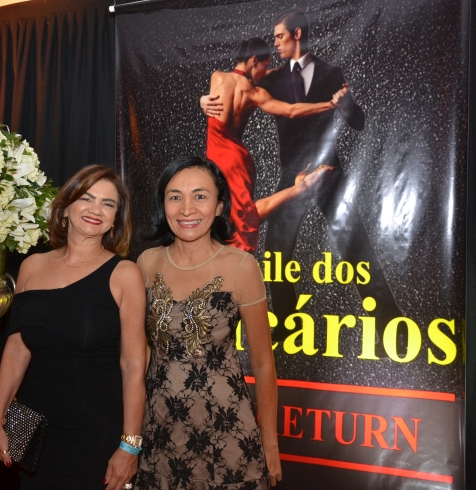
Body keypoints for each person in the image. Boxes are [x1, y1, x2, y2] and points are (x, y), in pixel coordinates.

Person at [204, 10, 403, 354]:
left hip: (329, 171)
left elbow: (357, 121)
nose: (275, 43)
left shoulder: (331, 73)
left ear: (296, 34)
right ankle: (286, 323)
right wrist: (203, 101)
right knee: (276, 253)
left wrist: (344, 105)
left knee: (355, 245)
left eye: (279, 36)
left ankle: (390, 323)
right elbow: (242, 89)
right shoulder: (269, 78)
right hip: (291, 176)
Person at [0, 165, 147, 490]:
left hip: (94, 431)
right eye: (86, 198)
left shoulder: (124, 274)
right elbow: (16, 351)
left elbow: (133, 365)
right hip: (34, 428)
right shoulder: (31, 267)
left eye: (108, 204)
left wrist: (130, 445)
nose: (96, 209)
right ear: (65, 208)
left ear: (115, 220)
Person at [135, 156, 282, 489]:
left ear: (219, 206)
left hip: (227, 432)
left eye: (200, 196)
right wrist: (130, 432)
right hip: (159, 431)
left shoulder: (241, 266)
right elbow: (139, 355)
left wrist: (270, 442)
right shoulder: (146, 263)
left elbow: (263, 363)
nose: (187, 209)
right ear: (163, 205)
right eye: (175, 197)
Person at [203, 36, 346, 253]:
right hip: (237, 160)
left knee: (234, 218)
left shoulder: (217, 77)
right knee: (243, 216)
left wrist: (201, 101)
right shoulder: (254, 93)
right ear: (253, 60)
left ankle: (300, 188)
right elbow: (291, 111)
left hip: (217, 158)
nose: (264, 73)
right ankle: (300, 188)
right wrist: (330, 105)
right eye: (264, 66)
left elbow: (213, 100)